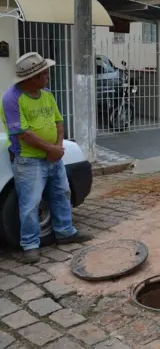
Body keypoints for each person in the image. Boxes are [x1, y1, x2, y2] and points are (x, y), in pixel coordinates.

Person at [1, 52, 92, 263]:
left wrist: (58, 147)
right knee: (30, 203)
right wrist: (49, 150)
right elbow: (23, 133)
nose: (48, 77)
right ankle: (30, 245)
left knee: (62, 193)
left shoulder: (46, 94)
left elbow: (58, 122)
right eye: (45, 74)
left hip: (54, 156)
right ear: (31, 78)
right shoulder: (11, 98)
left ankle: (65, 232)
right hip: (28, 160)